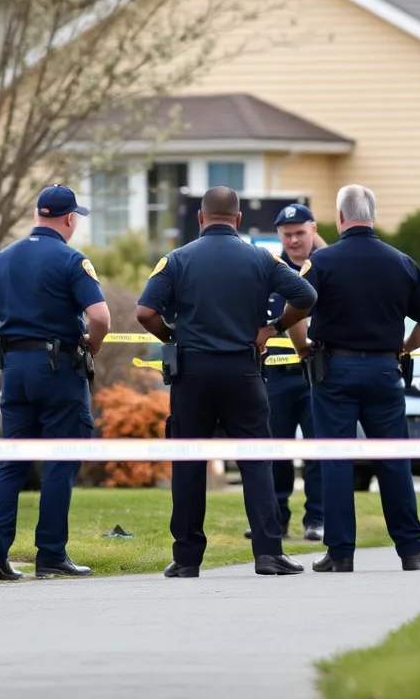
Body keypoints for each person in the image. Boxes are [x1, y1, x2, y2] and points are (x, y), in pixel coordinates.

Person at [136, 186, 317, 578]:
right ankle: (268, 553)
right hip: (243, 372)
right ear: (237, 219)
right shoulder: (260, 258)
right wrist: (272, 327)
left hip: (193, 374)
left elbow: (145, 311)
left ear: (201, 219)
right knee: (255, 460)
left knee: (188, 464)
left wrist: (172, 337)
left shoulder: (177, 260)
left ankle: (186, 559)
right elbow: (305, 294)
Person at [289, 184, 420, 573]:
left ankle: (340, 553)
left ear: (339, 218)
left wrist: (303, 348)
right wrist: (404, 347)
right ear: (372, 214)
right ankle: (411, 550)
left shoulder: (322, 262)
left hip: (334, 372)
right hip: (384, 372)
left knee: (337, 460)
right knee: (393, 460)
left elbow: (294, 310)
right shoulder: (401, 262)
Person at [0, 185, 110, 580]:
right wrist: (91, 345)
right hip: (58, 370)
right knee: (60, 462)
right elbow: (100, 317)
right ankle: (50, 555)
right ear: (69, 219)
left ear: (38, 214)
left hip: (16, 368)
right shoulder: (71, 260)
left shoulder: (4, 258)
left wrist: (16, 331)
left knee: (12, 463)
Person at [243, 203, 324, 542]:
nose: (293, 240)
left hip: (316, 371)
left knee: (318, 449)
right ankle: (276, 518)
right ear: (279, 235)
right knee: (275, 447)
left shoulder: (326, 266)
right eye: (287, 234)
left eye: (300, 233)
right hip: (276, 375)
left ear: (313, 229)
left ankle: (317, 519)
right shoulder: (269, 269)